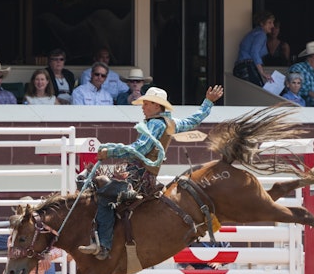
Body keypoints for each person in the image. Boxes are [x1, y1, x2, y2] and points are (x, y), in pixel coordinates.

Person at [78, 85, 224, 260]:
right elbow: (193, 120)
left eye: (146, 103)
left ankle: (103, 244)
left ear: (157, 106)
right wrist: (208, 102)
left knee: (104, 193)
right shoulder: (169, 123)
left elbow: (140, 149)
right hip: (146, 178)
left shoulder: (155, 124)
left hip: (136, 178)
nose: (143, 107)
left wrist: (110, 152)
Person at [233, 10, 275, 86]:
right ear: (262, 23)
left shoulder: (254, 32)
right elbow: (254, 52)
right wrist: (262, 72)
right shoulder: (261, 34)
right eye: (269, 22)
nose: (272, 26)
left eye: (272, 22)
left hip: (240, 67)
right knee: (257, 93)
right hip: (247, 67)